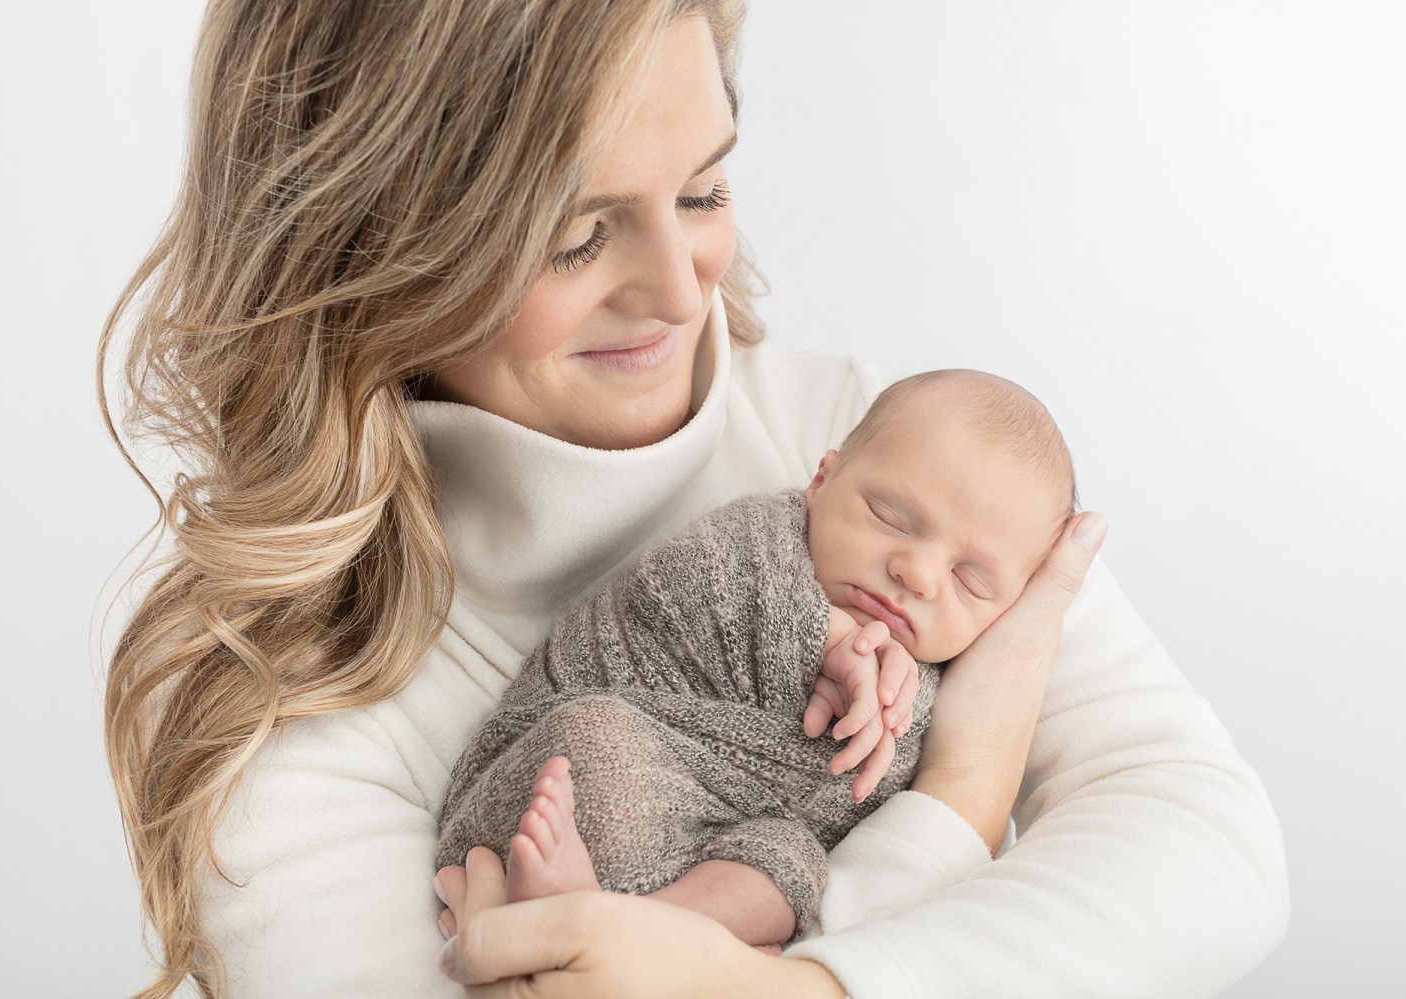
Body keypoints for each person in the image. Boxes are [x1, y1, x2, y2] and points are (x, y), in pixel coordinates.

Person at [99, 2, 1288, 997]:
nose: (678, 291)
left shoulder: (874, 446)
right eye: (576, 237)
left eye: (705, 191)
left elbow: (1216, 854)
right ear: (369, 247)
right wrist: (961, 809)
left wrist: (798, 988)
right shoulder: (291, 717)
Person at [435, 369, 1076, 948]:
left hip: (729, 838)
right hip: (603, 750)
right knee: (598, 742)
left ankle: (646, 935)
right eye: (890, 517)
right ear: (822, 482)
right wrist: (826, 639)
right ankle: (589, 919)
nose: (918, 573)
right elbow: (675, 591)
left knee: (789, 868)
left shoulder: (943, 686)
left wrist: (894, 714)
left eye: (970, 581)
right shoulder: (757, 542)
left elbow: (867, 810)